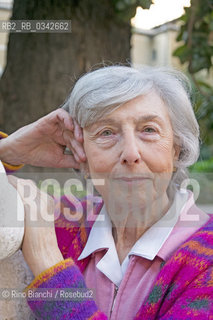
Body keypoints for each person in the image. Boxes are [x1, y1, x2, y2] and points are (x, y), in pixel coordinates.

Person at [0, 65, 212, 320]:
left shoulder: (206, 258)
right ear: (83, 156)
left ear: (176, 149)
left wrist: (50, 268)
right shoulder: (63, 220)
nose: (131, 153)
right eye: (106, 132)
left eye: (149, 130)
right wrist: (7, 152)